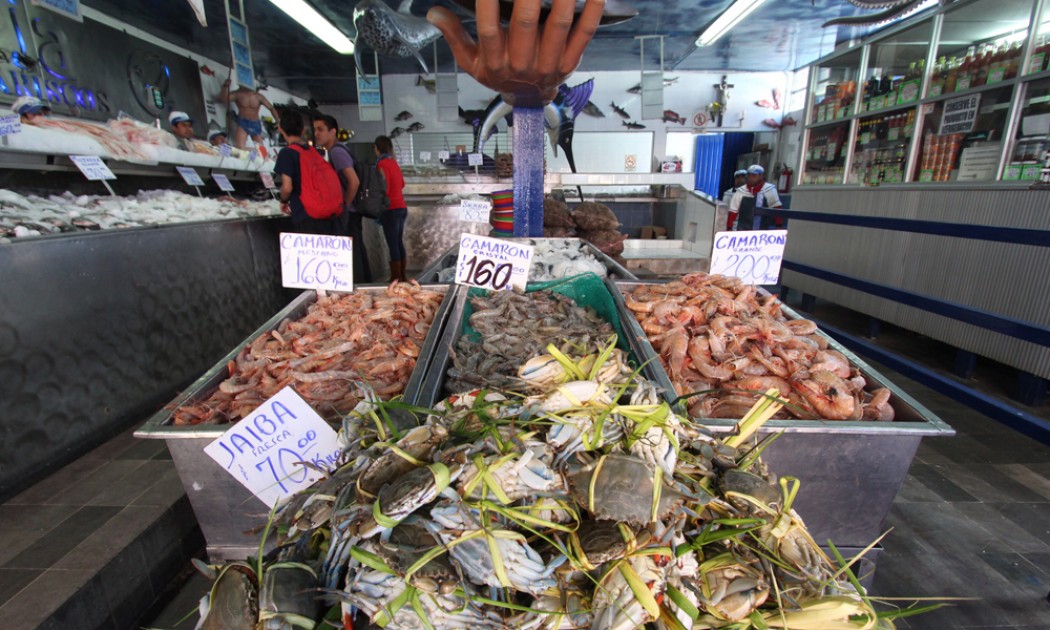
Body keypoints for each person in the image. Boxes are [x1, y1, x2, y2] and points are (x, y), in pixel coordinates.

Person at [314, 114, 372, 283]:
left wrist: (344, 205)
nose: (317, 134)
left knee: (352, 254)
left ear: (332, 131)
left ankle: (358, 288)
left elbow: (353, 181)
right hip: (352, 210)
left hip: (349, 212)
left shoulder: (337, 152)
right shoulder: (338, 150)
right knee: (356, 251)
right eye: (315, 129)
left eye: (321, 129)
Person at [274, 111, 343, 235]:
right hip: (326, 214)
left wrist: (283, 201)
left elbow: (287, 188)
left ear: (281, 129)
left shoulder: (287, 153)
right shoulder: (311, 151)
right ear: (302, 131)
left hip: (306, 214)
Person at [374, 135, 407, 282]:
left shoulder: (381, 165)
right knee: (398, 241)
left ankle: (395, 277)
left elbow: (383, 188)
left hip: (390, 209)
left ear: (377, 148)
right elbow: (401, 184)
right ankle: (402, 275)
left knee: (392, 243)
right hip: (401, 207)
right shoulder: (394, 163)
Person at [220, 79, 277, 157]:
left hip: (255, 124)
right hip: (243, 123)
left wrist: (278, 120)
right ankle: (245, 153)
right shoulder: (238, 94)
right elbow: (223, 99)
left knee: (262, 152)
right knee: (240, 149)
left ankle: (250, 153)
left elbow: (271, 108)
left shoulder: (258, 96)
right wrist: (225, 86)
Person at [730, 164, 782, 230]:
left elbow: (776, 209)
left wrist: (779, 226)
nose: (750, 178)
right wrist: (729, 228)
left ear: (761, 176)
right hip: (742, 230)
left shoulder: (770, 190)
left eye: (754, 175)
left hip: (762, 230)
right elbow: (733, 211)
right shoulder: (741, 191)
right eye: (749, 175)